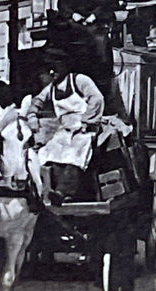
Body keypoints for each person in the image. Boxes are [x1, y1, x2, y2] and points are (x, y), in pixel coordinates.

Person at [26, 49, 105, 204]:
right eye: (49, 68)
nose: (51, 71)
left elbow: (96, 99)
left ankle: (64, 192)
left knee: (76, 153)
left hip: (85, 129)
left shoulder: (80, 80)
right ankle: (46, 191)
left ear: (65, 66)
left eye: (55, 67)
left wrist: (86, 122)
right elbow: (37, 101)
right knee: (46, 153)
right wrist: (32, 116)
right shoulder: (51, 88)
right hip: (64, 130)